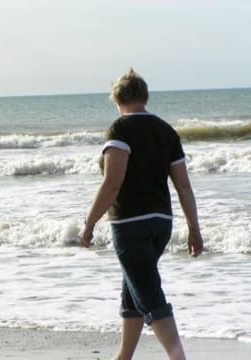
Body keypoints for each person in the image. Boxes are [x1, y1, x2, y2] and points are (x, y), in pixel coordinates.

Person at [79, 68, 203, 360]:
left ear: (117, 99)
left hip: (129, 224)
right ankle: (123, 356)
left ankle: (177, 355)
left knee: (149, 295)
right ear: (144, 97)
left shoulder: (120, 130)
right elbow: (184, 187)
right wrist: (194, 229)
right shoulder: (166, 131)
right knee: (134, 290)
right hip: (161, 224)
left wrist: (89, 223)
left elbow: (112, 184)